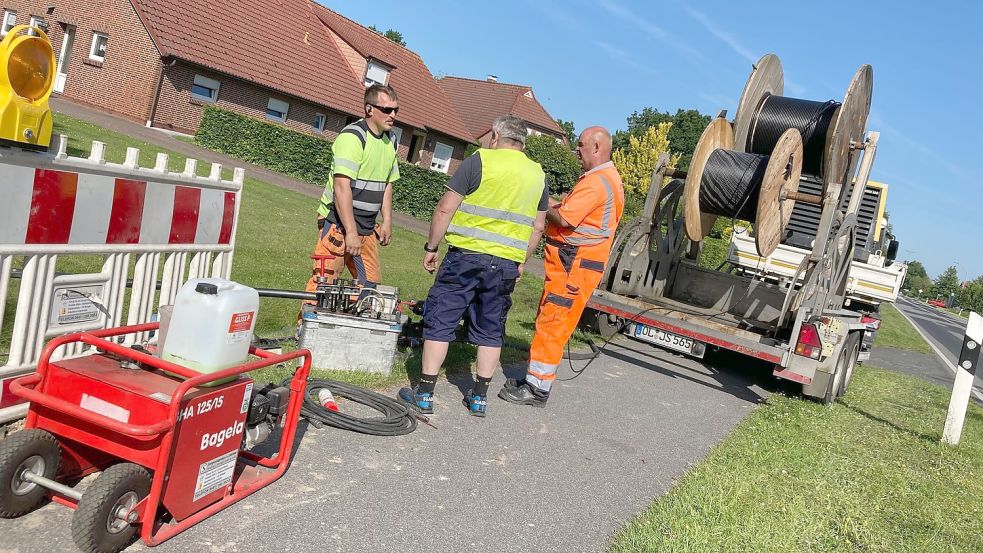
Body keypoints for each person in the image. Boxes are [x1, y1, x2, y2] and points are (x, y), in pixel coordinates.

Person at [399, 115, 548, 417]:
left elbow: (445, 207)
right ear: (522, 143)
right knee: (491, 328)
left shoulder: (479, 161)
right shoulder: (537, 175)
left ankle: (425, 393)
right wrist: (520, 260)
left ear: (496, 135)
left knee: (441, 319)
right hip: (505, 263)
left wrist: (431, 247)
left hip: (465, 257)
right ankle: (479, 397)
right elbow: (537, 228)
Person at [499, 126, 624, 407]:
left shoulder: (597, 182)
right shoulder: (605, 179)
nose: (576, 150)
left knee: (552, 324)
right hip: (575, 266)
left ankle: (536, 389)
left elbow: (565, 219)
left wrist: (541, 204)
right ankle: (533, 380)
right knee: (550, 321)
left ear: (596, 147)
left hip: (574, 266)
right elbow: (572, 212)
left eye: (580, 145)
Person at [305, 84, 400, 293]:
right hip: (337, 224)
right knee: (323, 284)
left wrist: (387, 222)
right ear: (369, 109)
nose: (392, 115)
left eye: (395, 110)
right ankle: (307, 325)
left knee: (370, 289)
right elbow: (341, 188)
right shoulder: (353, 137)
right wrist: (350, 232)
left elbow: (387, 183)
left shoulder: (391, 140)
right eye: (386, 110)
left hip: (367, 226)